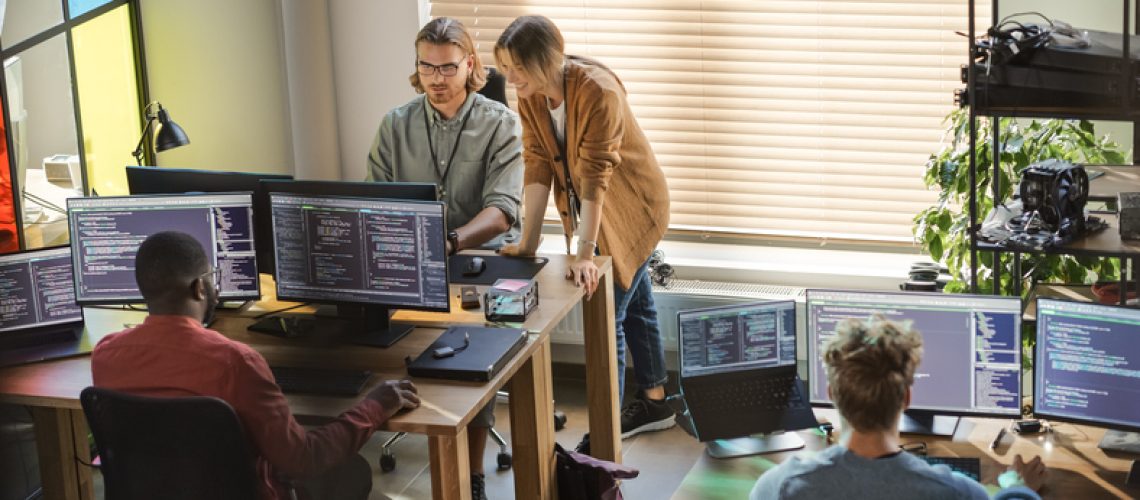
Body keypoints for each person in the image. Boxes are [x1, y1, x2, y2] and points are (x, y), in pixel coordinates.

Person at [92, 231, 421, 500]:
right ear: (199, 287)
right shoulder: (235, 362)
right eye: (212, 277)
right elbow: (304, 459)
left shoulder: (105, 356)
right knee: (354, 473)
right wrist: (374, 406)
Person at [493, 15, 674, 447]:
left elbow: (596, 178)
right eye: (505, 68)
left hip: (634, 208)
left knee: (605, 310)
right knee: (637, 299)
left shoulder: (598, 91)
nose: (510, 78)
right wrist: (528, 244)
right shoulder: (532, 95)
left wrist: (585, 255)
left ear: (544, 60)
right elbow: (537, 163)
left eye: (518, 67)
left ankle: (604, 427)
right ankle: (656, 400)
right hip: (600, 212)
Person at [365, 17, 523, 499]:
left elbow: (503, 212)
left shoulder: (499, 123)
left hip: (479, 264)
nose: (436, 79)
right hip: (410, 264)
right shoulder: (396, 125)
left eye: (448, 68)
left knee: (473, 359)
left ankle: (470, 477)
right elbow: (374, 201)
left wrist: (449, 242)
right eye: (426, 67)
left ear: (470, 65)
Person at [750, 315, 1046, 500]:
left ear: (832, 395)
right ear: (906, 398)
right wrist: (1018, 488)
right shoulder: (951, 492)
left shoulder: (780, 487)